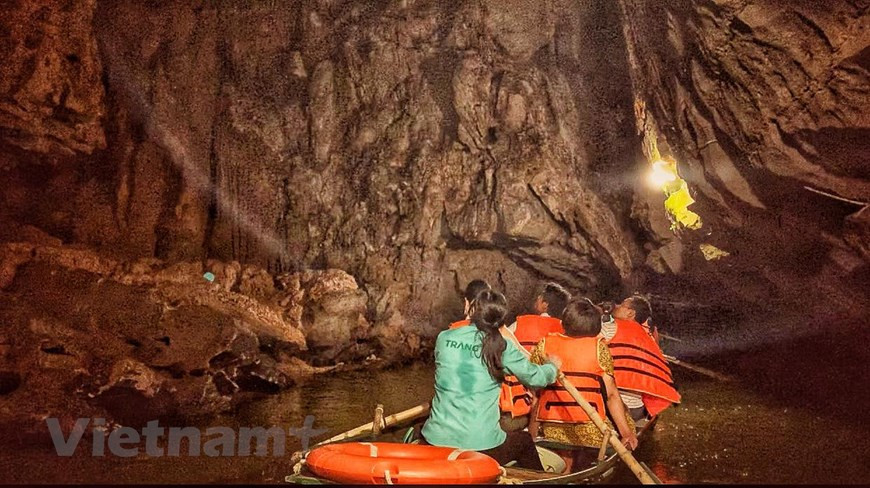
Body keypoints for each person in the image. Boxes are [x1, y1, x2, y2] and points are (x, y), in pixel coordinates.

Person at [421, 290, 559, 469]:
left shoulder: (444, 337)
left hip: (435, 440)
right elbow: (536, 378)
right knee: (524, 441)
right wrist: (552, 367)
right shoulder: (502, 347)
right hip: (482, 447)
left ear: (472, 309)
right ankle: (540, 479)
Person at [530, 298, 638, 471]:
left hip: (551, 426)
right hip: (591, 430)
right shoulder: (599, 348)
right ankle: (577, 464)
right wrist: (626, 433)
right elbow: (611, 395)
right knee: (627, 419)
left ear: (564, 323)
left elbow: (534, 385)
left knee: (540, 399)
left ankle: (563, 463)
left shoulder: (544, 344)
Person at [501, 282, 570, 430]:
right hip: (552, 402)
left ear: (544, 305)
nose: (535, 301)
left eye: (538, 299)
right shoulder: (565, 329)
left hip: (520, 399)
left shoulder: (520, 323)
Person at [609, 294, 680, 422]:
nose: (617, 306)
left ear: (630, 313)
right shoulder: (647, 336)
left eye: (622, 305)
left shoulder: (611, 329)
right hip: (637, 407)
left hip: (616, 407)